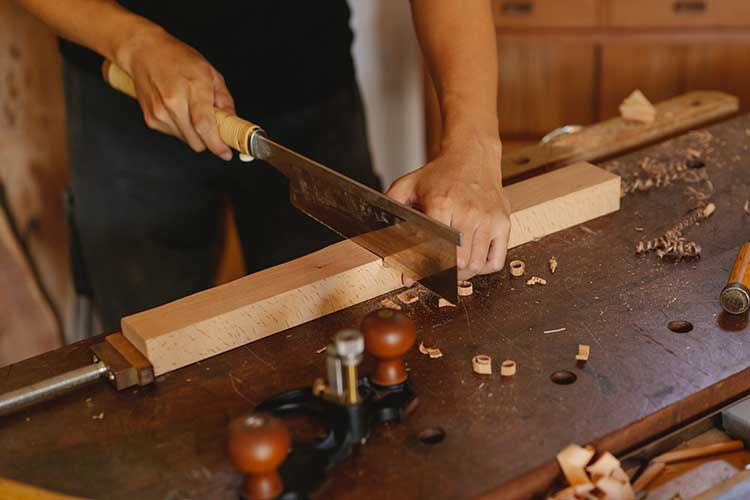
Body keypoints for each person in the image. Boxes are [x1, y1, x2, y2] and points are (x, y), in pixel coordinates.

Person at [16, 0, 511, 331]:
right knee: (145, 334)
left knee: (350, 322)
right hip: (125, 92)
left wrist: (473, 148)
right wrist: (134, 42)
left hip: (309, 83)